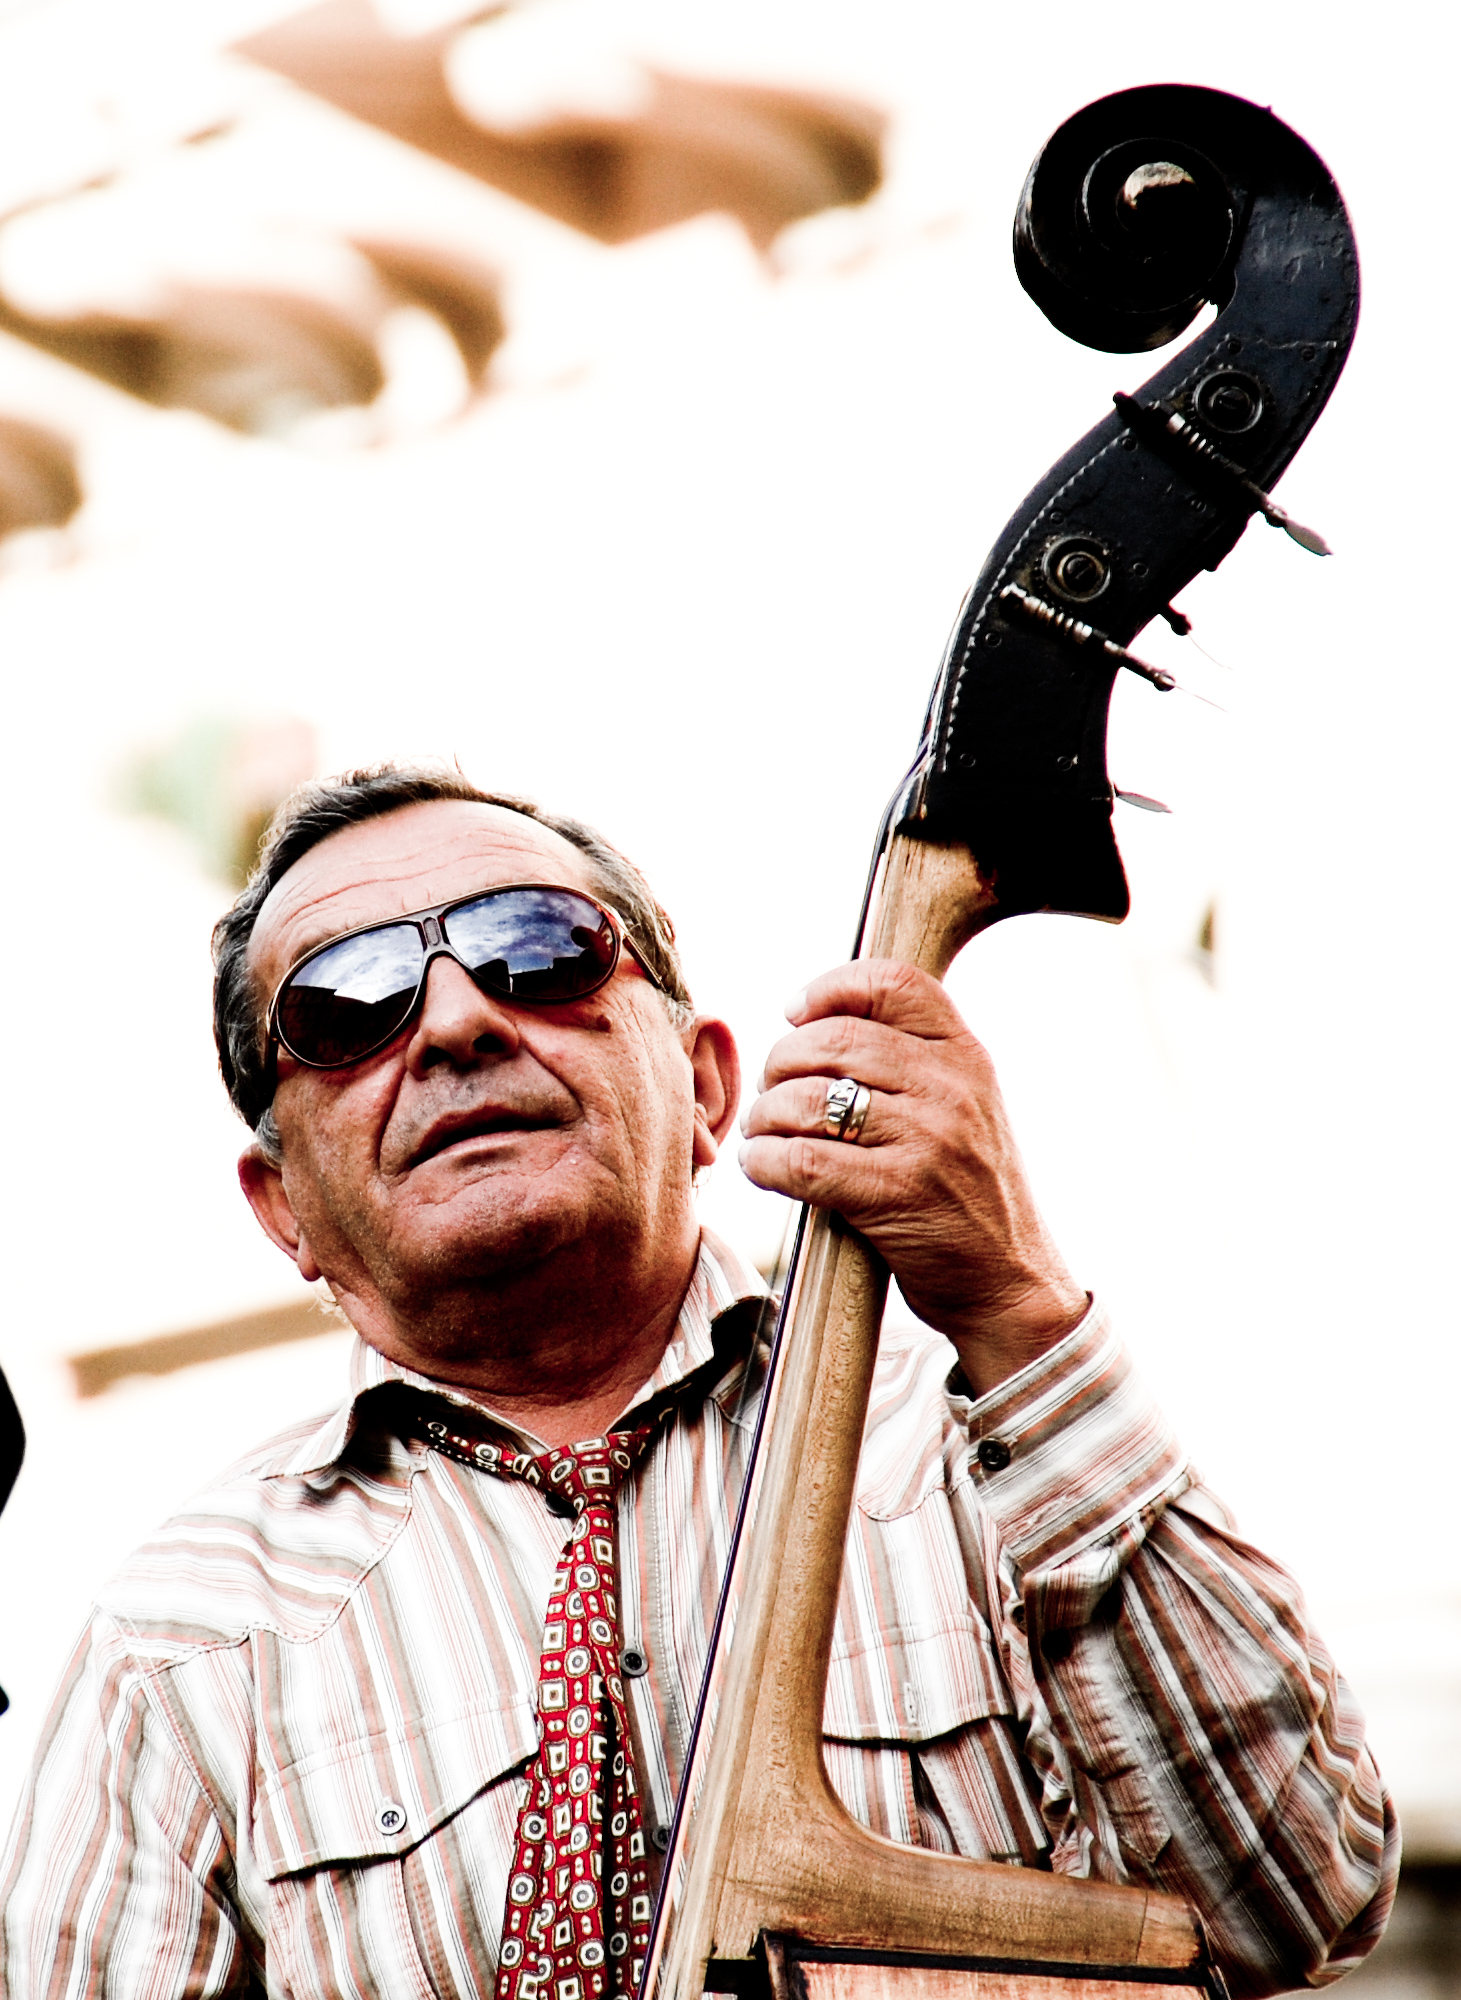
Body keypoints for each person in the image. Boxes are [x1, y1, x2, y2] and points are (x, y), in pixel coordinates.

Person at [1, 766, 1395, 2000]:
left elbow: (1295, 1900)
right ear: (279, 1208)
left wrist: (1016, 1304)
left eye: (537, 951)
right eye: (345, 1004)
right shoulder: (179, 1643)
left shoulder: (988, 1456)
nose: (454, 1024)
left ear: (709, 1084)